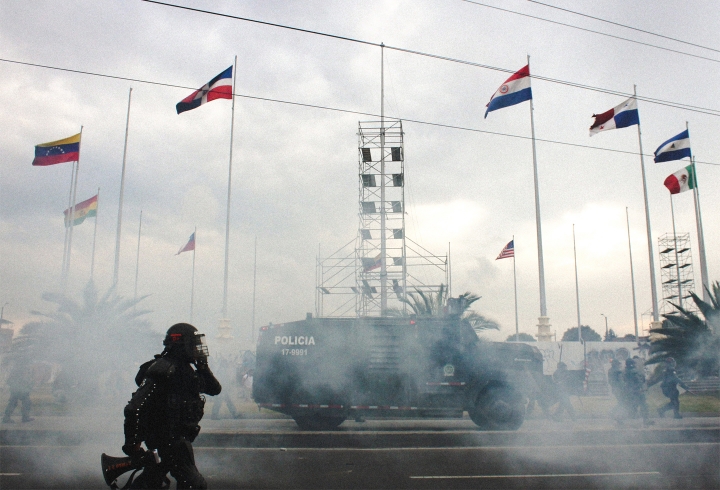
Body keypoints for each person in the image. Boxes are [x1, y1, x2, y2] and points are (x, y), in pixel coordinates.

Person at [122, 323, 221, 489]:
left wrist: (203, 367)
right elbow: (134, 408)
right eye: (194, 344)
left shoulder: (186, 371)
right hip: (167, 439)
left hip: (178, 438)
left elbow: (214, 389)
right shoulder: (163, 370)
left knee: (152, 479)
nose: (198, 349)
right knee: (194, 485)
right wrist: (133, 442)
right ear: (183, 344)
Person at [2, 357, 35, 424]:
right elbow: (13, 380)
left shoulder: (17, 369)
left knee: (13, 403)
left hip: (17, 389)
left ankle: (7, 417)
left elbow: (10, 380)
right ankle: (24, 417)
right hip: (19, 389)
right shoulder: (20, 369)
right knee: (26, 402)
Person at [623, 358, 653, 427]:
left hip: (631, 391)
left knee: (633, 406)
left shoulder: (626, 371)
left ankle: (621, 418)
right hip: (637, 391)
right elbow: (640, 380)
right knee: (643, 405)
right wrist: (642, 388)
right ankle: (646, 420)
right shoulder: (634, 371)